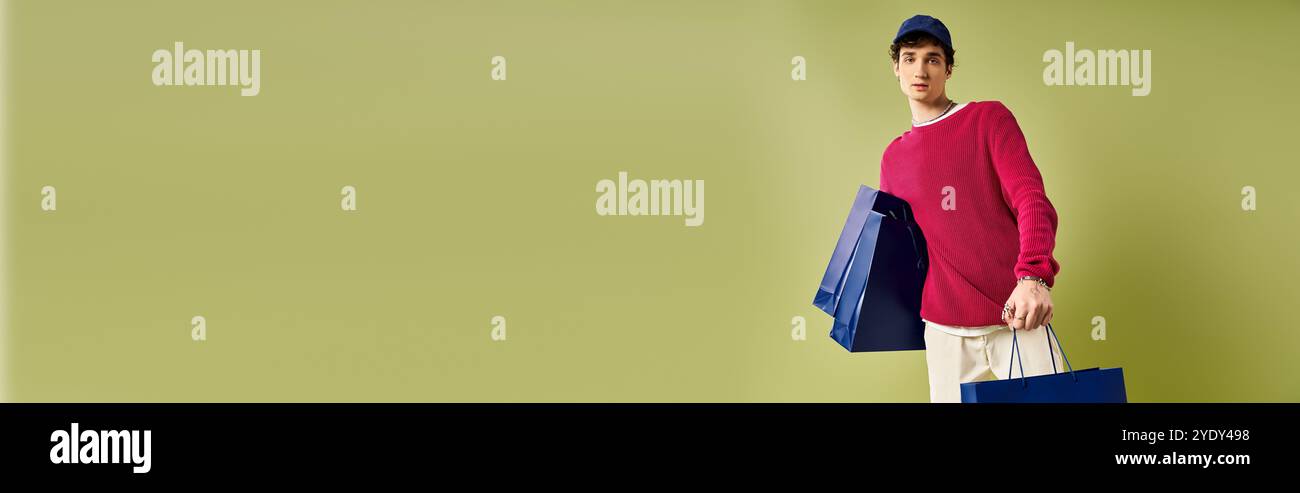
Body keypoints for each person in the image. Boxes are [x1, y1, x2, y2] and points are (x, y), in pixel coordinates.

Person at [877, 15, 1065, 403]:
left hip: (1016, 314)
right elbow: (897, 252)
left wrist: (1033, 277)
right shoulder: (893, 158)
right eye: (910, 58)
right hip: (945, 330)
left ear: (948, 68)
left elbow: (1032, 200)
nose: (920, 70)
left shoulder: (988, 120)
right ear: (896, 67)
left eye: (932, 59)